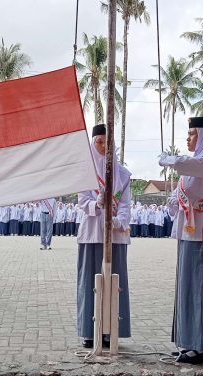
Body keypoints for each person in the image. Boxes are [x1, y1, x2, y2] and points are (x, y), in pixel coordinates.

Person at [158, 116, 203, 364]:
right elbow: (180, 194)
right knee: (187, 287)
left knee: (198, 288)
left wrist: (165, 158)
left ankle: (200, 347)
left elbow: (179, 163)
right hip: (188, 233)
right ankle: (189, 340)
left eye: (192, 134)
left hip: (200, 235)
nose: (187, 139)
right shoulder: (198, 165)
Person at [77, 124, 132, 349]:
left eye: (107, 142)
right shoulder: (85, 172)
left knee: (114, 283)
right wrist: (95, 204)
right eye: (99, 142)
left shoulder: (124, 175)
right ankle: (89, 332)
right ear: (93, 143)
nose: (103, 146)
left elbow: (126, 205)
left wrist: (117, 221)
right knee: (90, 282)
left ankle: (112, 331)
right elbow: (82, 202)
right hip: (91, 234)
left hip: (115, 236)